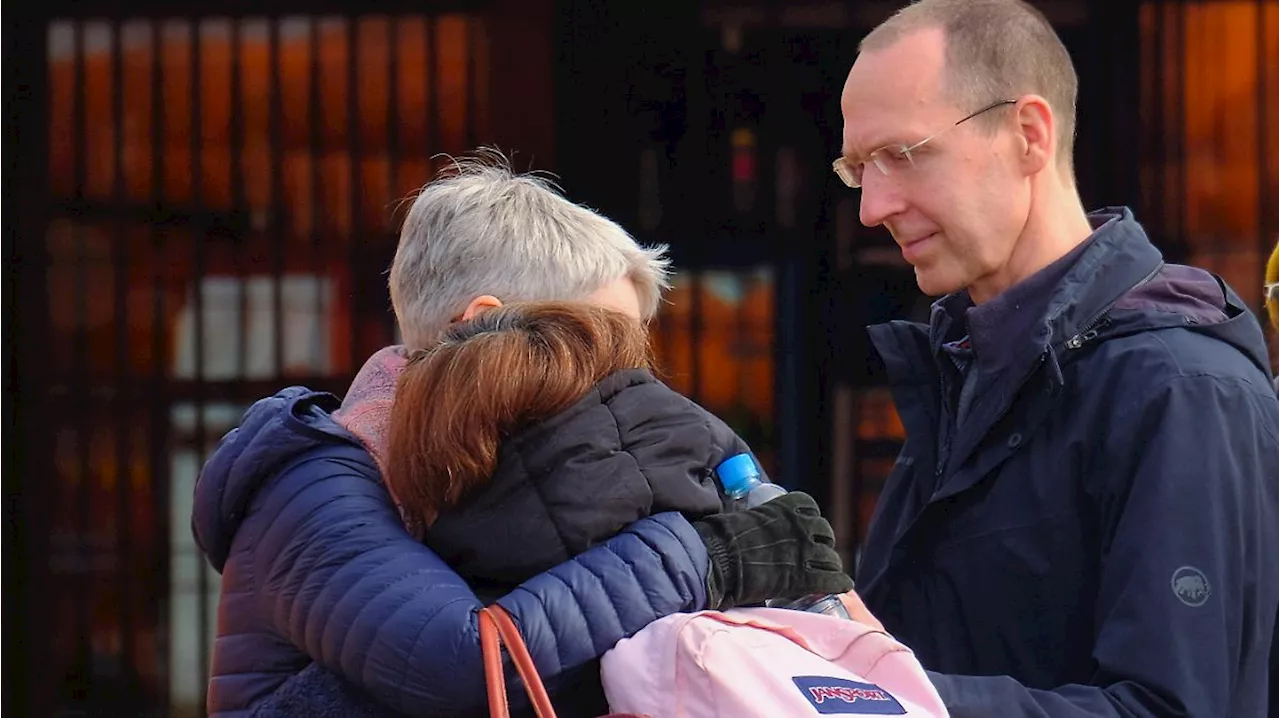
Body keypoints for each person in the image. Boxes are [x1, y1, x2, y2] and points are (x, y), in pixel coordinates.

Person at [191, 151, 851, 718]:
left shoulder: (532, 475)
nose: (621, 383)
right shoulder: (313, 483)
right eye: (596, 344)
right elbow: (462, 662)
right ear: (485, 325)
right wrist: (705, 557)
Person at [835, 0, 1280, 715]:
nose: (872, 206)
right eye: (859, 168)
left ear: (1029, 135)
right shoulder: (964, 362)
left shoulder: (1182, 388)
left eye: (904, 155)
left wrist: (885, 702)